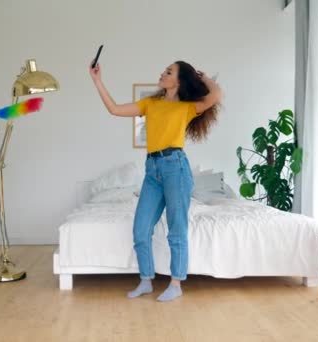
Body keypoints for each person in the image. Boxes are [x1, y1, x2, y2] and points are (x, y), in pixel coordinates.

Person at [89, 60, 222, 301]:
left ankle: (176, 284)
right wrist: (97, 80)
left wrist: (202, 78)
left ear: (178, 81)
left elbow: (215, 94)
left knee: (176, 228)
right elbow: (114, 109)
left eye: (169, 71)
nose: (162, 73)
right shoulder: (150, 104)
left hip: (176, 168)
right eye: (164, 69)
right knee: (141, 228)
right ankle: (146, 280)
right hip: (152, 170)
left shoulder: (187, 107)